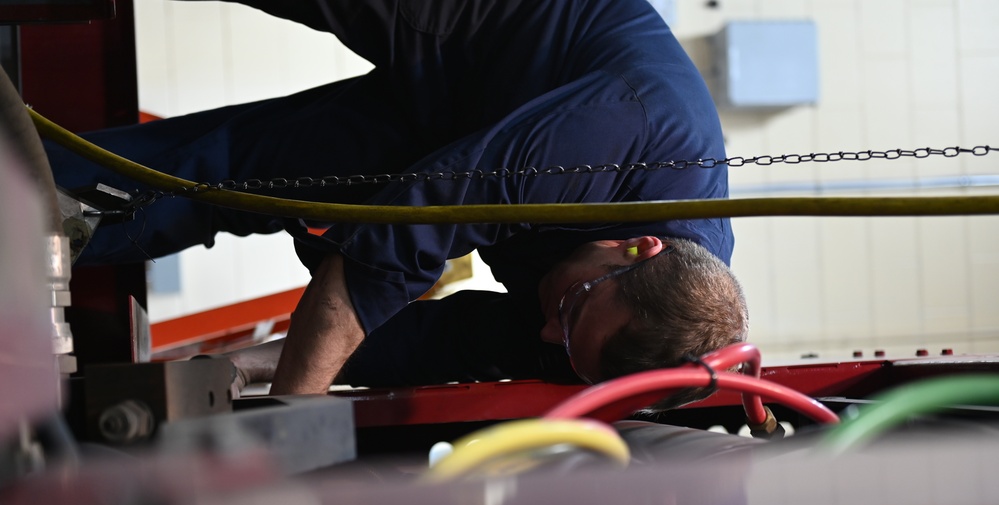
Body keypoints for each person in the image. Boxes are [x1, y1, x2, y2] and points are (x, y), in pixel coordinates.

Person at [45, 0, 747, 396]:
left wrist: (246, 367)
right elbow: (398, 246)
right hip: (485, 23)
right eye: (567, 310)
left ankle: (29, 213)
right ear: (635, 247)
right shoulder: (634, 133)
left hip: (462, 113)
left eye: (565, 343)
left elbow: (425, 344)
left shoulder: (606, 331)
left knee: (224, 178)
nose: (545, 330)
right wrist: (295, 422)